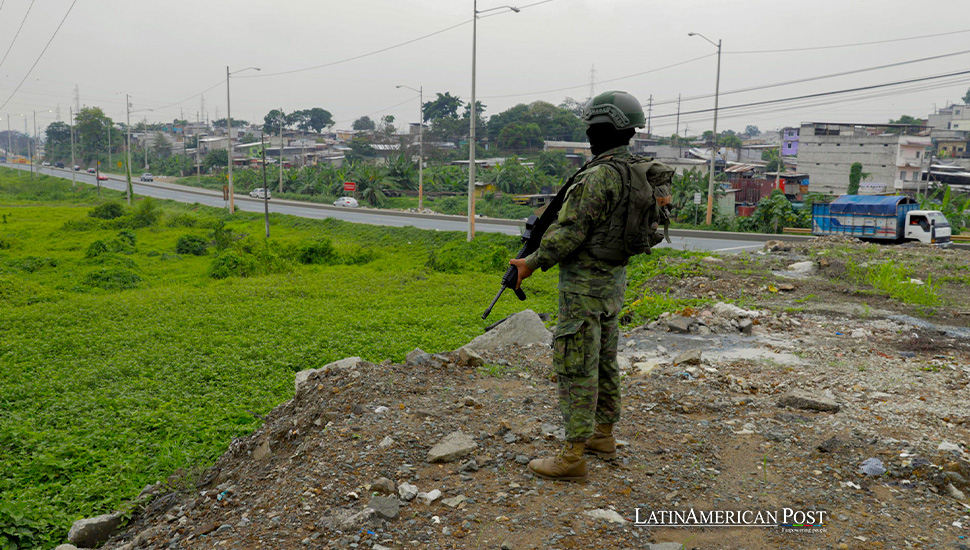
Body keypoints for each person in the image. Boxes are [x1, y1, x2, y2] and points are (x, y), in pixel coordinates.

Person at [509, 90, 669, 482]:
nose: (588, 133)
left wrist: (529, 264)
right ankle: (602, 436)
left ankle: (572, 456)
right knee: (603, 359)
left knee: (576, 362)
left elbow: (568, 233)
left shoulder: (600, 174)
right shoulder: (637, 168)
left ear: (605, 127)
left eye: (591, 126)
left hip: (583, 285)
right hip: (614, 280)